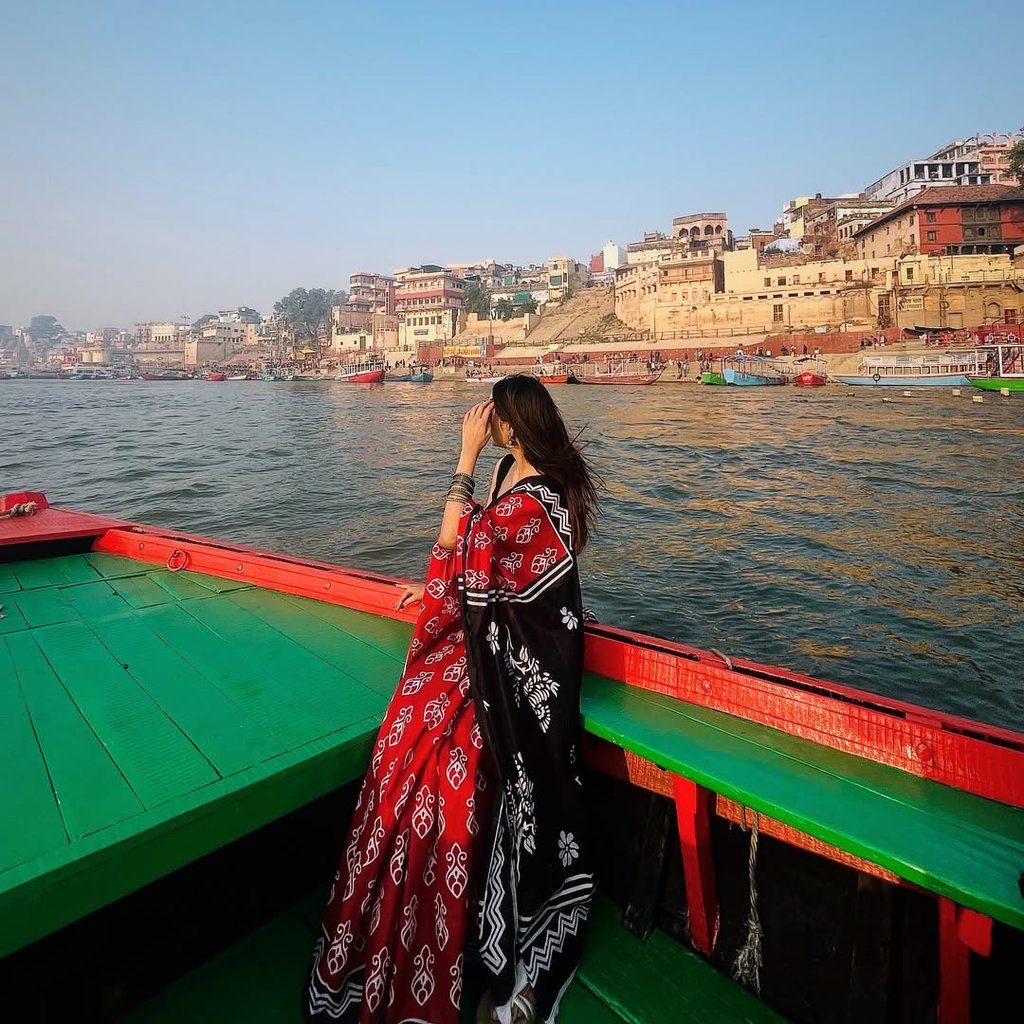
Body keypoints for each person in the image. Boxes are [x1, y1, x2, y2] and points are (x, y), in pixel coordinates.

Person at [305, 375, 599, 1024]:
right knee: (400, 743)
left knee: (447, 766)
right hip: (475, 644)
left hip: (509, 672)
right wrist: (434, 585)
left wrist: (461, 460)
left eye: (489, 415)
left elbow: (460, 547)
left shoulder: (537, 499)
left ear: (512, 426)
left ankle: (467, 937)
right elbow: (463, 558)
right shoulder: (505, 474)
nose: (480, 421)